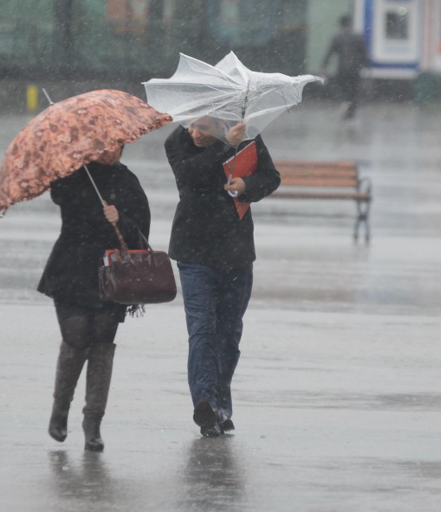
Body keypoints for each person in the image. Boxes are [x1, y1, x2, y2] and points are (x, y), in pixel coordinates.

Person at [165, 118, 280, 437]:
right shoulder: (177, 142)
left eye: (203, 127)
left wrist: (248, 187)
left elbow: (271, 177)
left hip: (236, 252)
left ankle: (219, 406)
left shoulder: (248, 138)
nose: (195, 133)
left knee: (228, 335)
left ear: (219, 120)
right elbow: (191, 175)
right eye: (192, 126)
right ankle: (203, 402)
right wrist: (225, 144)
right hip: (194, 251)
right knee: (202, 328)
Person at [39, 145, 151, 452]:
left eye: (118, 145)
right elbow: (60, 196)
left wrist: (120, 218)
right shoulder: (74, 174)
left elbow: (141, 232)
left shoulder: (127, 180)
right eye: (105, 145)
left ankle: (93, 422)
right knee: (77, 338)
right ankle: (60, 410)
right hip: (70, 269)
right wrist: (69, 165)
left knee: (102, 344)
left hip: (111, 274)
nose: (111, 151)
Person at [321, 14, 368, 120]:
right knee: (354, 91)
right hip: (355, 69)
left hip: (342, 69)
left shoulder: (337, 37)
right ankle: (351, 110)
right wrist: (367, 67)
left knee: (343, 89)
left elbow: (330, 53)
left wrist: (324, 66)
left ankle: (345, 103)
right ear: (351, 24)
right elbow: (364, 53)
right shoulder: (357, 37)